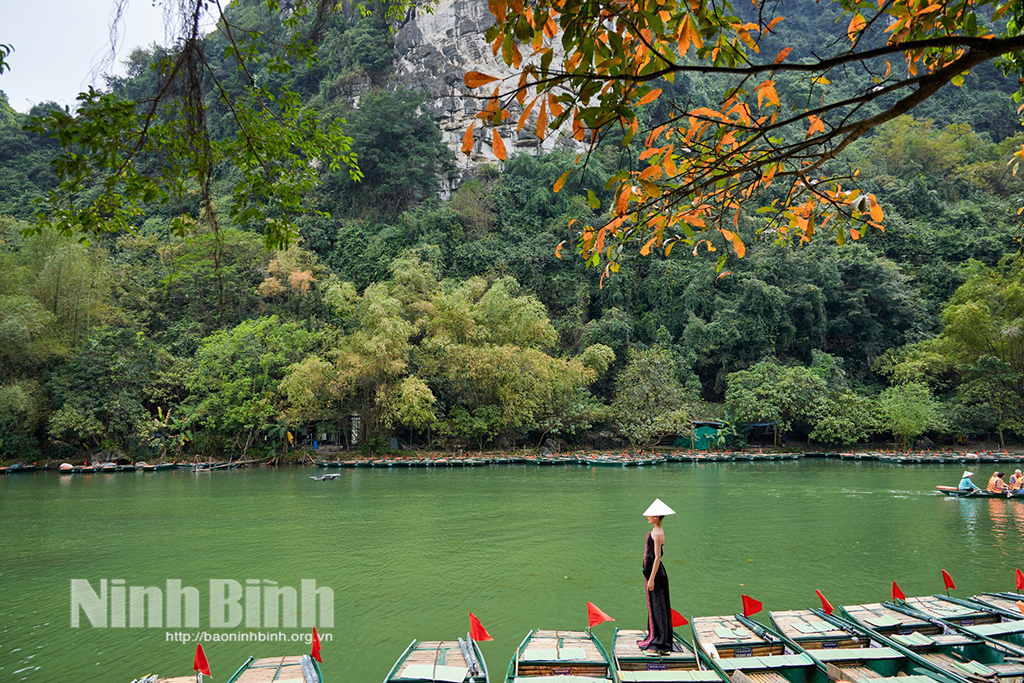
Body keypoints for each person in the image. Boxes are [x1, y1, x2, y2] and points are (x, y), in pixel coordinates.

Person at [638, 498, 675, 653]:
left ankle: (660, 642)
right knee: (654, 605)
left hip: (656, 574)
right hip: (651, 571)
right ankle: (654, 636)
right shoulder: (655, 531)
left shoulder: (658, 533)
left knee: (658, 606)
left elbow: (658, 557)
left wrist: (652, 578)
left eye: (650, 514)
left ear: (657, 516)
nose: (647, 516)